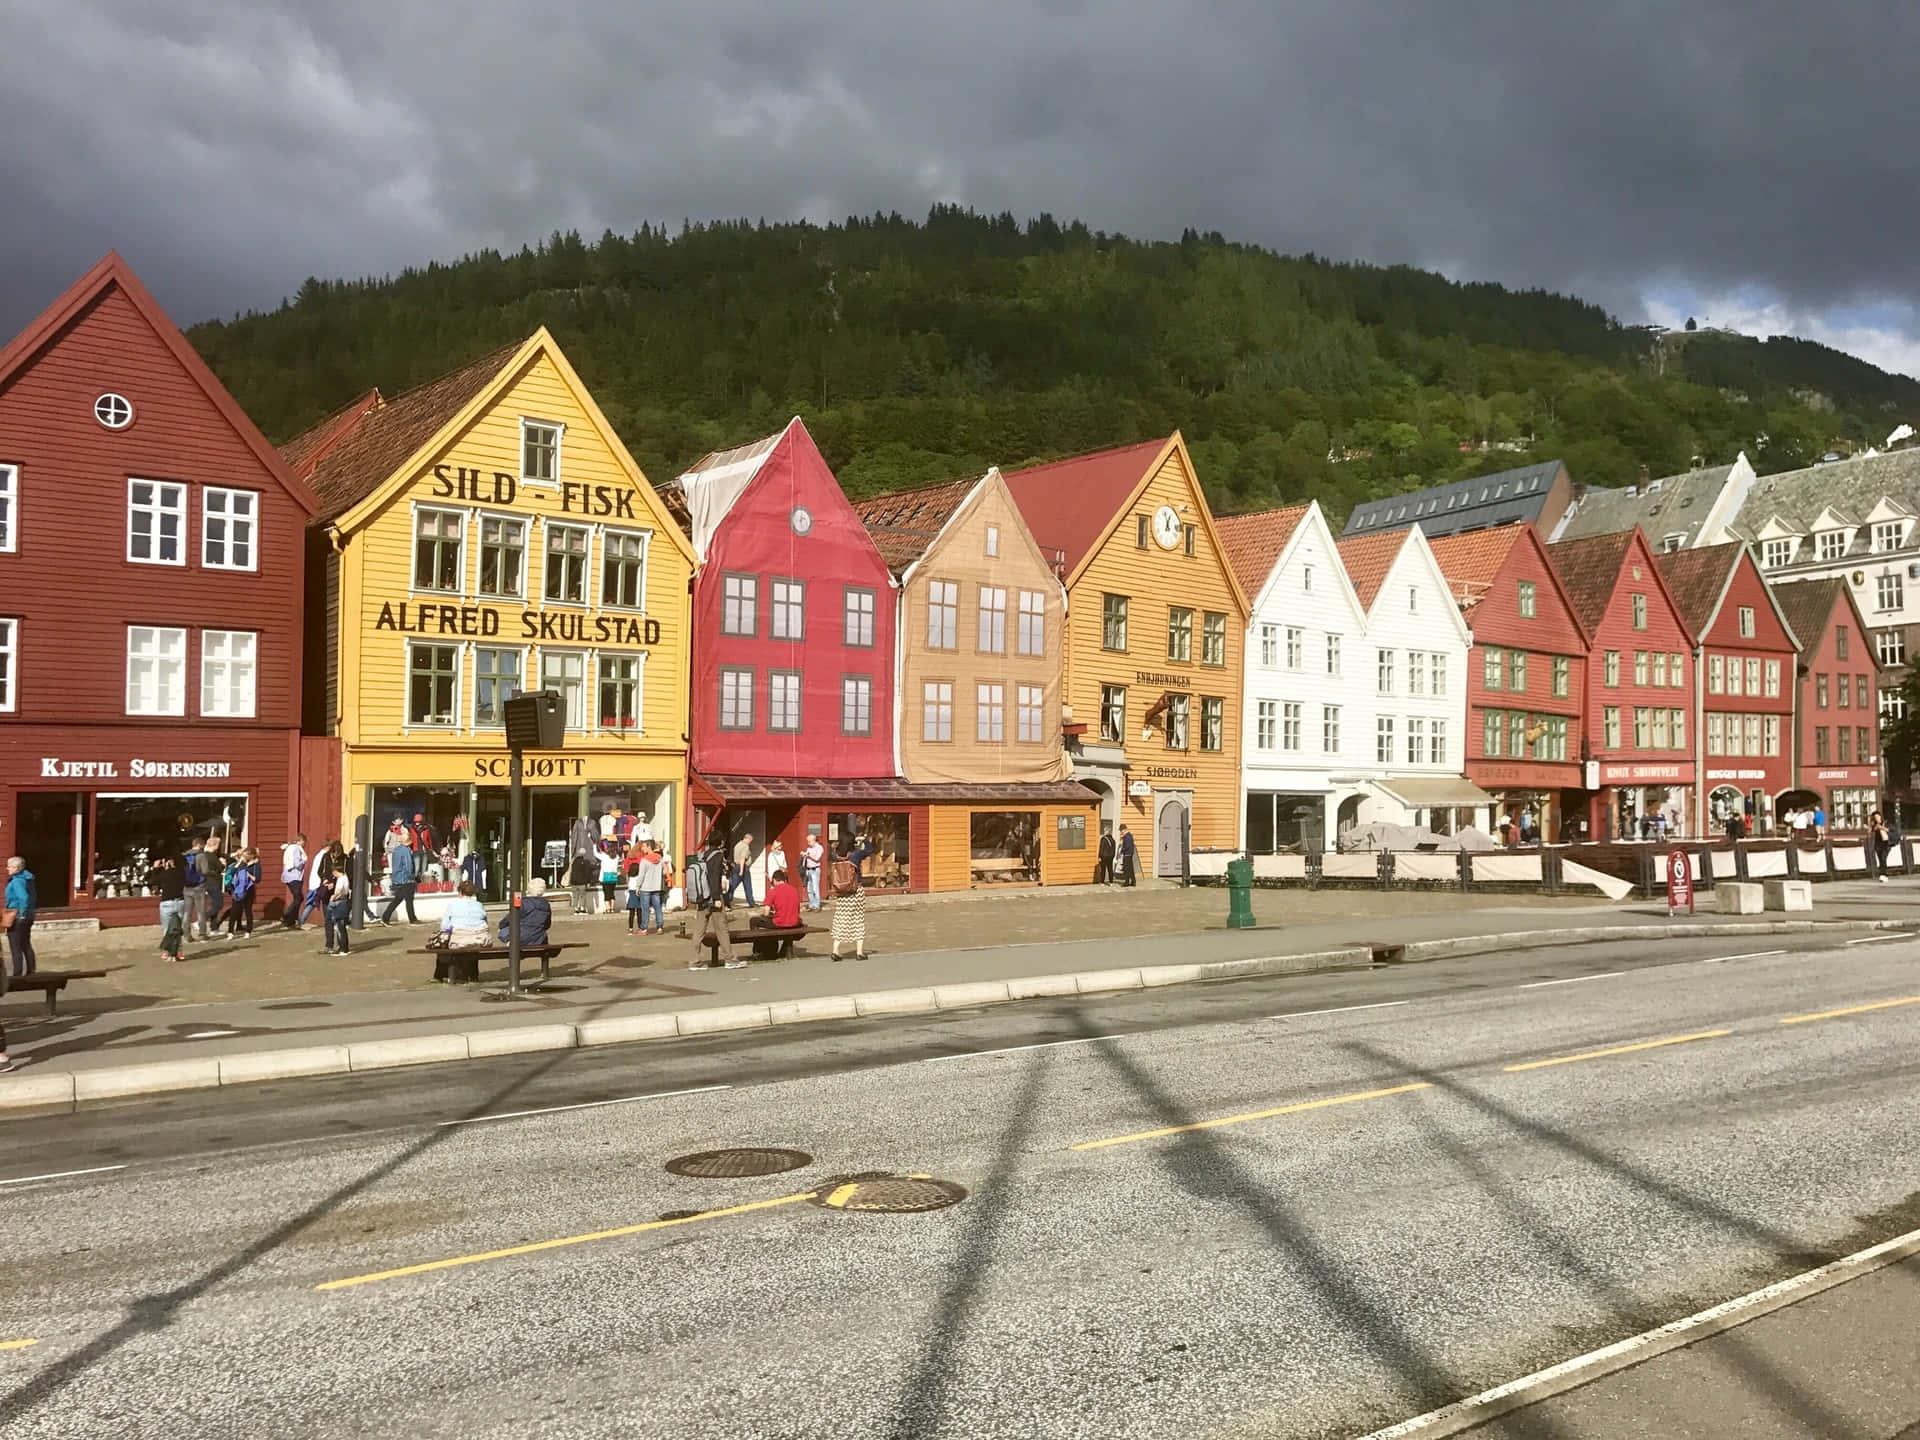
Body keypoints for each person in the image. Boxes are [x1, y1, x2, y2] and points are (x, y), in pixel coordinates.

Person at [686, 834, 740, 969]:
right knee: (722, 929)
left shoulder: (703, 855)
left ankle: (694, 961)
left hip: (701, 896)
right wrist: (716, 898)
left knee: (699, 930)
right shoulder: (718, 856)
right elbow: (714, 877)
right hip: (713, 896)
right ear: (721, 842)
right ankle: (730, 959)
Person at [828, 833, 878, 962]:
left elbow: (829, 850)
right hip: (855, 890)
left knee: (841, 919)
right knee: (858, 919)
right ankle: (859, 952)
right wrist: (864, 840)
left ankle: (835, 950)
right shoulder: (855, 855)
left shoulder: (835, 856)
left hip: (841, 892)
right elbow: (870, 850)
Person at [753, 867, 803, 960]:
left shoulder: (773, 891)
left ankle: (757, 950)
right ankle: (785, 949)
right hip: (794, 922)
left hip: (780, 923)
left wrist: (771, 914)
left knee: (754, 920)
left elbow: (766, 913)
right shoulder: (794, 890)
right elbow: (797, 909)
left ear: (775, 880)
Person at [148, 854, 187, 962]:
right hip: (180, 902)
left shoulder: (165, 874)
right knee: (178, 929)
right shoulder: (182, 873)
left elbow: (152, 881)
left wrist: (156, 868)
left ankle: (167, 951)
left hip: (167, 902)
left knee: (167, 929)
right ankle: (178, 952)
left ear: (168, 862)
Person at [5, 856, 37, 979]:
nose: (7, 868)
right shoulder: (27, 879)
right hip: (29, 915)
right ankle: (31, 971)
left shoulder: (17, 881)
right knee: (25, 944)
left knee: (15, 946)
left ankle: (17, 975)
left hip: (17, 916)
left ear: (16, 868)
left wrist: (22, 914)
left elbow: (23, 898)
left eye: (9, 866)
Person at [499, 876, 554, 947]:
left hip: (521, 938)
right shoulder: (546, 904)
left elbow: (509, 918)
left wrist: (501, 925)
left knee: (502, 931)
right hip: (539, 939)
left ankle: (511, 942)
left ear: (529, 889)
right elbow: (547, 925)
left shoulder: (522, 902)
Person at [320, 842, 352, 954]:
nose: (335, 856)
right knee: (328, 920)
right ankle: (329, 945)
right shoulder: (325, 857)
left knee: (339, 921)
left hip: (339, 894)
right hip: (327, 893)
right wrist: (325, 880)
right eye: (333, 853)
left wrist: (335, 884)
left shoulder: (345, 859)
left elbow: (347, 875)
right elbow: (320, 871)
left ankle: (341, 945)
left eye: (337, 854)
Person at [225, 847, 262, 936]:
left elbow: (257, 879)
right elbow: (232, 872)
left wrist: (248, 874)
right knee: (235, 910)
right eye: (244, 855)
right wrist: (239, 862)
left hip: (249, 889)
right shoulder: (242, 864)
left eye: (246, 855)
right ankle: (230, 931)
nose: (244, 856)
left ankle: (248, 930)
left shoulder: (256, 866)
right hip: (238, 889)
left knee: (248, 910)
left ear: (252, 855)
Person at [630, 841, 665, 934]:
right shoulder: (660, 859)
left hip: (645, 888)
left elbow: (641, 875)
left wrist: (638, 886)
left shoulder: (644, 860)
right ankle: (660, 927)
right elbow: (664, 872)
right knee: (658, 908)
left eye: (644, 846)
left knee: (645, 909)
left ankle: (644, 929)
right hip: (656, 887)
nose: (642, 848)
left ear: (649, 847)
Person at [280, 833, 308, 929]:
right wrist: (304, 860)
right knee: (298, 898)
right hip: (294, 876)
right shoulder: (296, 848)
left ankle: (291, 921)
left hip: (288, 876)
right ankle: (286, 915)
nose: (305, 844)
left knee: (298, 898)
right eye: (304, 841)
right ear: (300, 841)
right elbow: (297, 864)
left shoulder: (290, 847)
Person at [727, 831, 756, 909]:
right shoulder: (745, 846)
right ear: (747, 839)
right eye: (750, 841)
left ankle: (727, 901)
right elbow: (742, 858)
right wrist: (741, 870)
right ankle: (751, 903)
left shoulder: (737, 845)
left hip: (736, 866)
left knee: (733, 885)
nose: (750, 842)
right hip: (743, 867)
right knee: (748, 885)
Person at [802, 832, 825, 911]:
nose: (808, 843)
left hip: (815, 869)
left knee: (815, 888)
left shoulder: (819, 848)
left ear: (814, 840)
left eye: (809, 841)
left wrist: (808, 855)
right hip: (808, 869)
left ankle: (817, 905)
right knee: (809, 889)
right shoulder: (809, 848)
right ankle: (811, 904)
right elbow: (807, 858)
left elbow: (817, 858)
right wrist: (804, 855)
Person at [1870, 811, 1894, 882]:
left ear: (1880, 816)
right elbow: (1872, 830)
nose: (1877, 818)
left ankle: (1883, 874)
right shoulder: (1874, 825)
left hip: (1886, 843)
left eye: (1878, 816)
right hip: (1878, 844)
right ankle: (1883, 874)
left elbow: (1890, 830)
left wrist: (1881, 827)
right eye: (1875, 817)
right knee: (1881, 860)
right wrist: (1874, 826)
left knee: (1883, 858)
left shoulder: (1886, 823)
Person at [600, 843, 621, 912]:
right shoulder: (617, 857)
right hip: (613, 877)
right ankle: (612, 908)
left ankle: (607, 908)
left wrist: (594, 847)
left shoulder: (604, 857)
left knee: (606, 893)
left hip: (605, 877)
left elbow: (596, 854)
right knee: (612, 893)